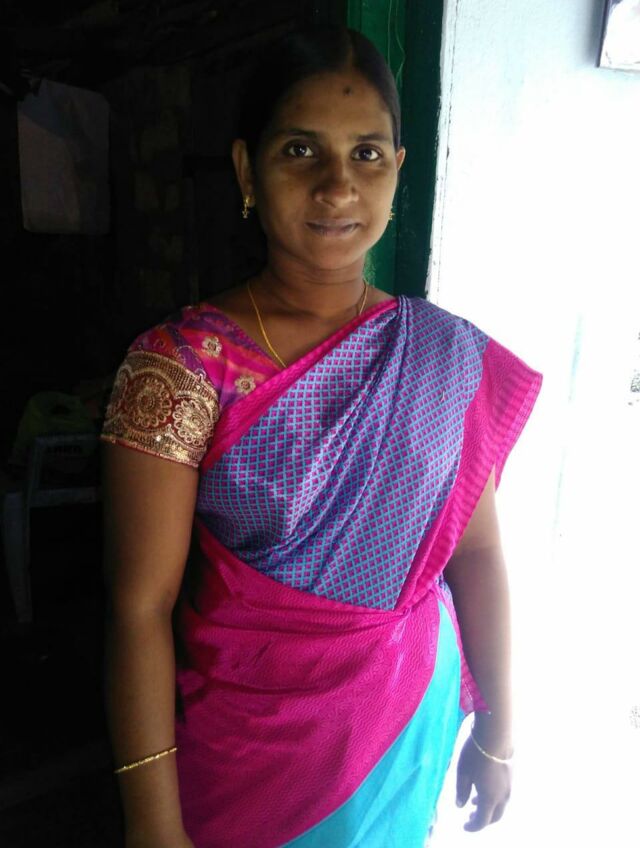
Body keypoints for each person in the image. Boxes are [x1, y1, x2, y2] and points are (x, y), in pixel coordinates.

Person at [100, 24, 542, 848]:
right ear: (247, 170)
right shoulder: (184, 366)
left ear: (397, 170)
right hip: (248, 752)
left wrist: (498, 732)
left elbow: (477, 554)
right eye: (301, 150)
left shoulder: (440, 356)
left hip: (404, 726)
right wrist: (153, 823)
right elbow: (138, 609)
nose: (338, 185)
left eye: (367, 154)